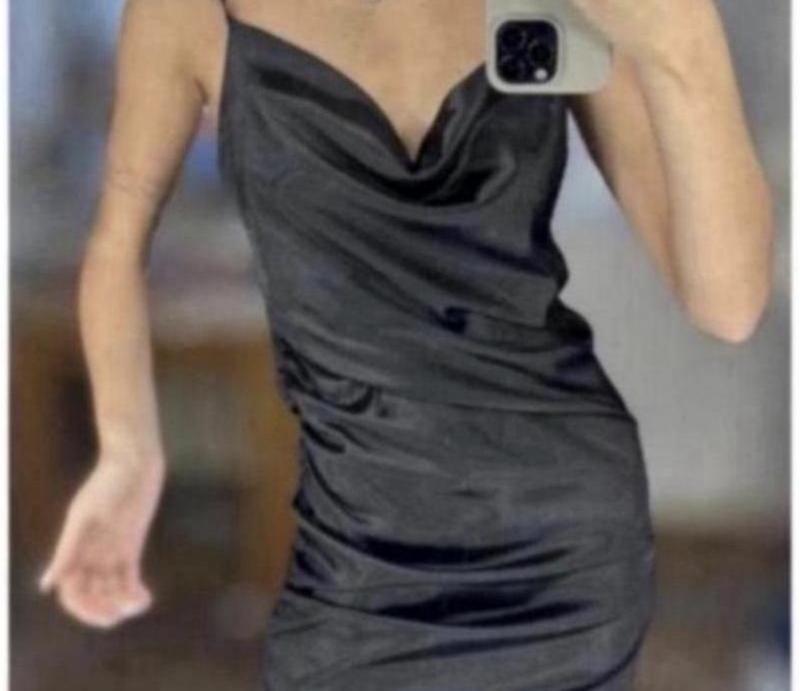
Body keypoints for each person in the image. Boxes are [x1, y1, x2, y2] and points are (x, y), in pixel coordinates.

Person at [37, 0, 774, 688]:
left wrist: (688, 52)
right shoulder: (193, 12)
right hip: (356, 560)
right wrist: (128, 450)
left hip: (560, 555)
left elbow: (728, 304)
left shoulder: (536, 6)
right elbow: (116, 247)